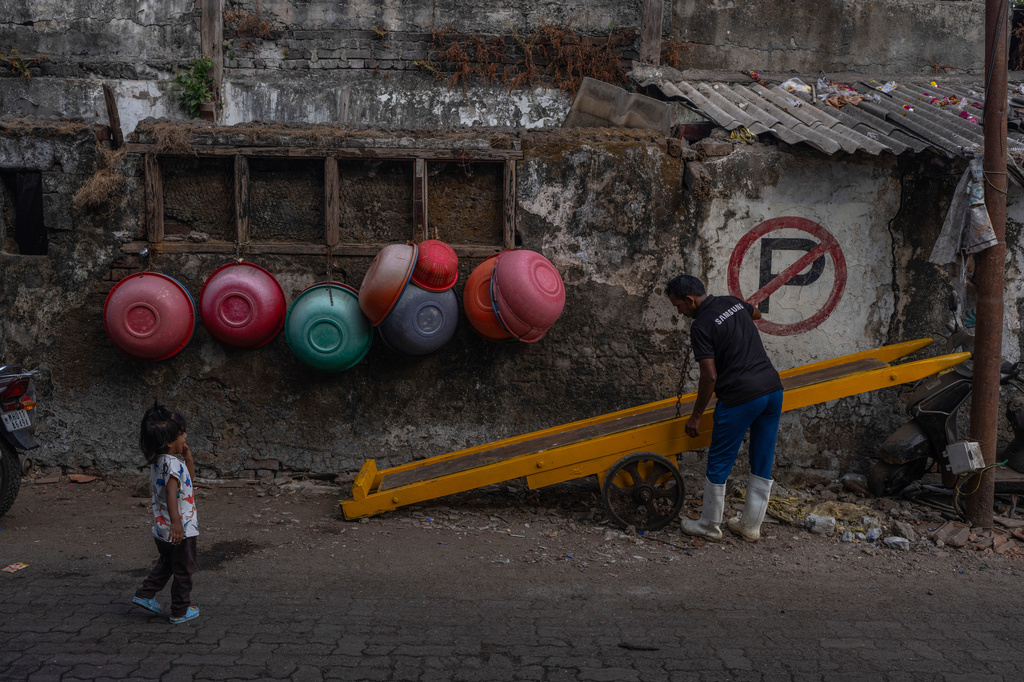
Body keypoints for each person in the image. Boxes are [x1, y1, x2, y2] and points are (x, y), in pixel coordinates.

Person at [666, 275, 783, 542]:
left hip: (742, 396)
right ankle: (751, 527)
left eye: (678, 306)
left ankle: (709, 525)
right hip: (772, 390)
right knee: (762, 458)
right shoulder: (732, 302)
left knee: (720, 460)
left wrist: (696, 416)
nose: (679, 312)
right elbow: (757, 312)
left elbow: (709, 376)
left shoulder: (701, 326)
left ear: (690, 300)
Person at [132, 402, 200, 623]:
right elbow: (172, 493)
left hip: (162, 529)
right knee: (183, 571)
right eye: (181, 434)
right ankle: (180, 611)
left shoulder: (159, 462)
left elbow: (186, 481)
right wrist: (177, 523)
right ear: (170, 442)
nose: (185, 436)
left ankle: (145, 593)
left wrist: (188, 459)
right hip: (181, 531)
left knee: (167, 563)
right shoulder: (173, 465)